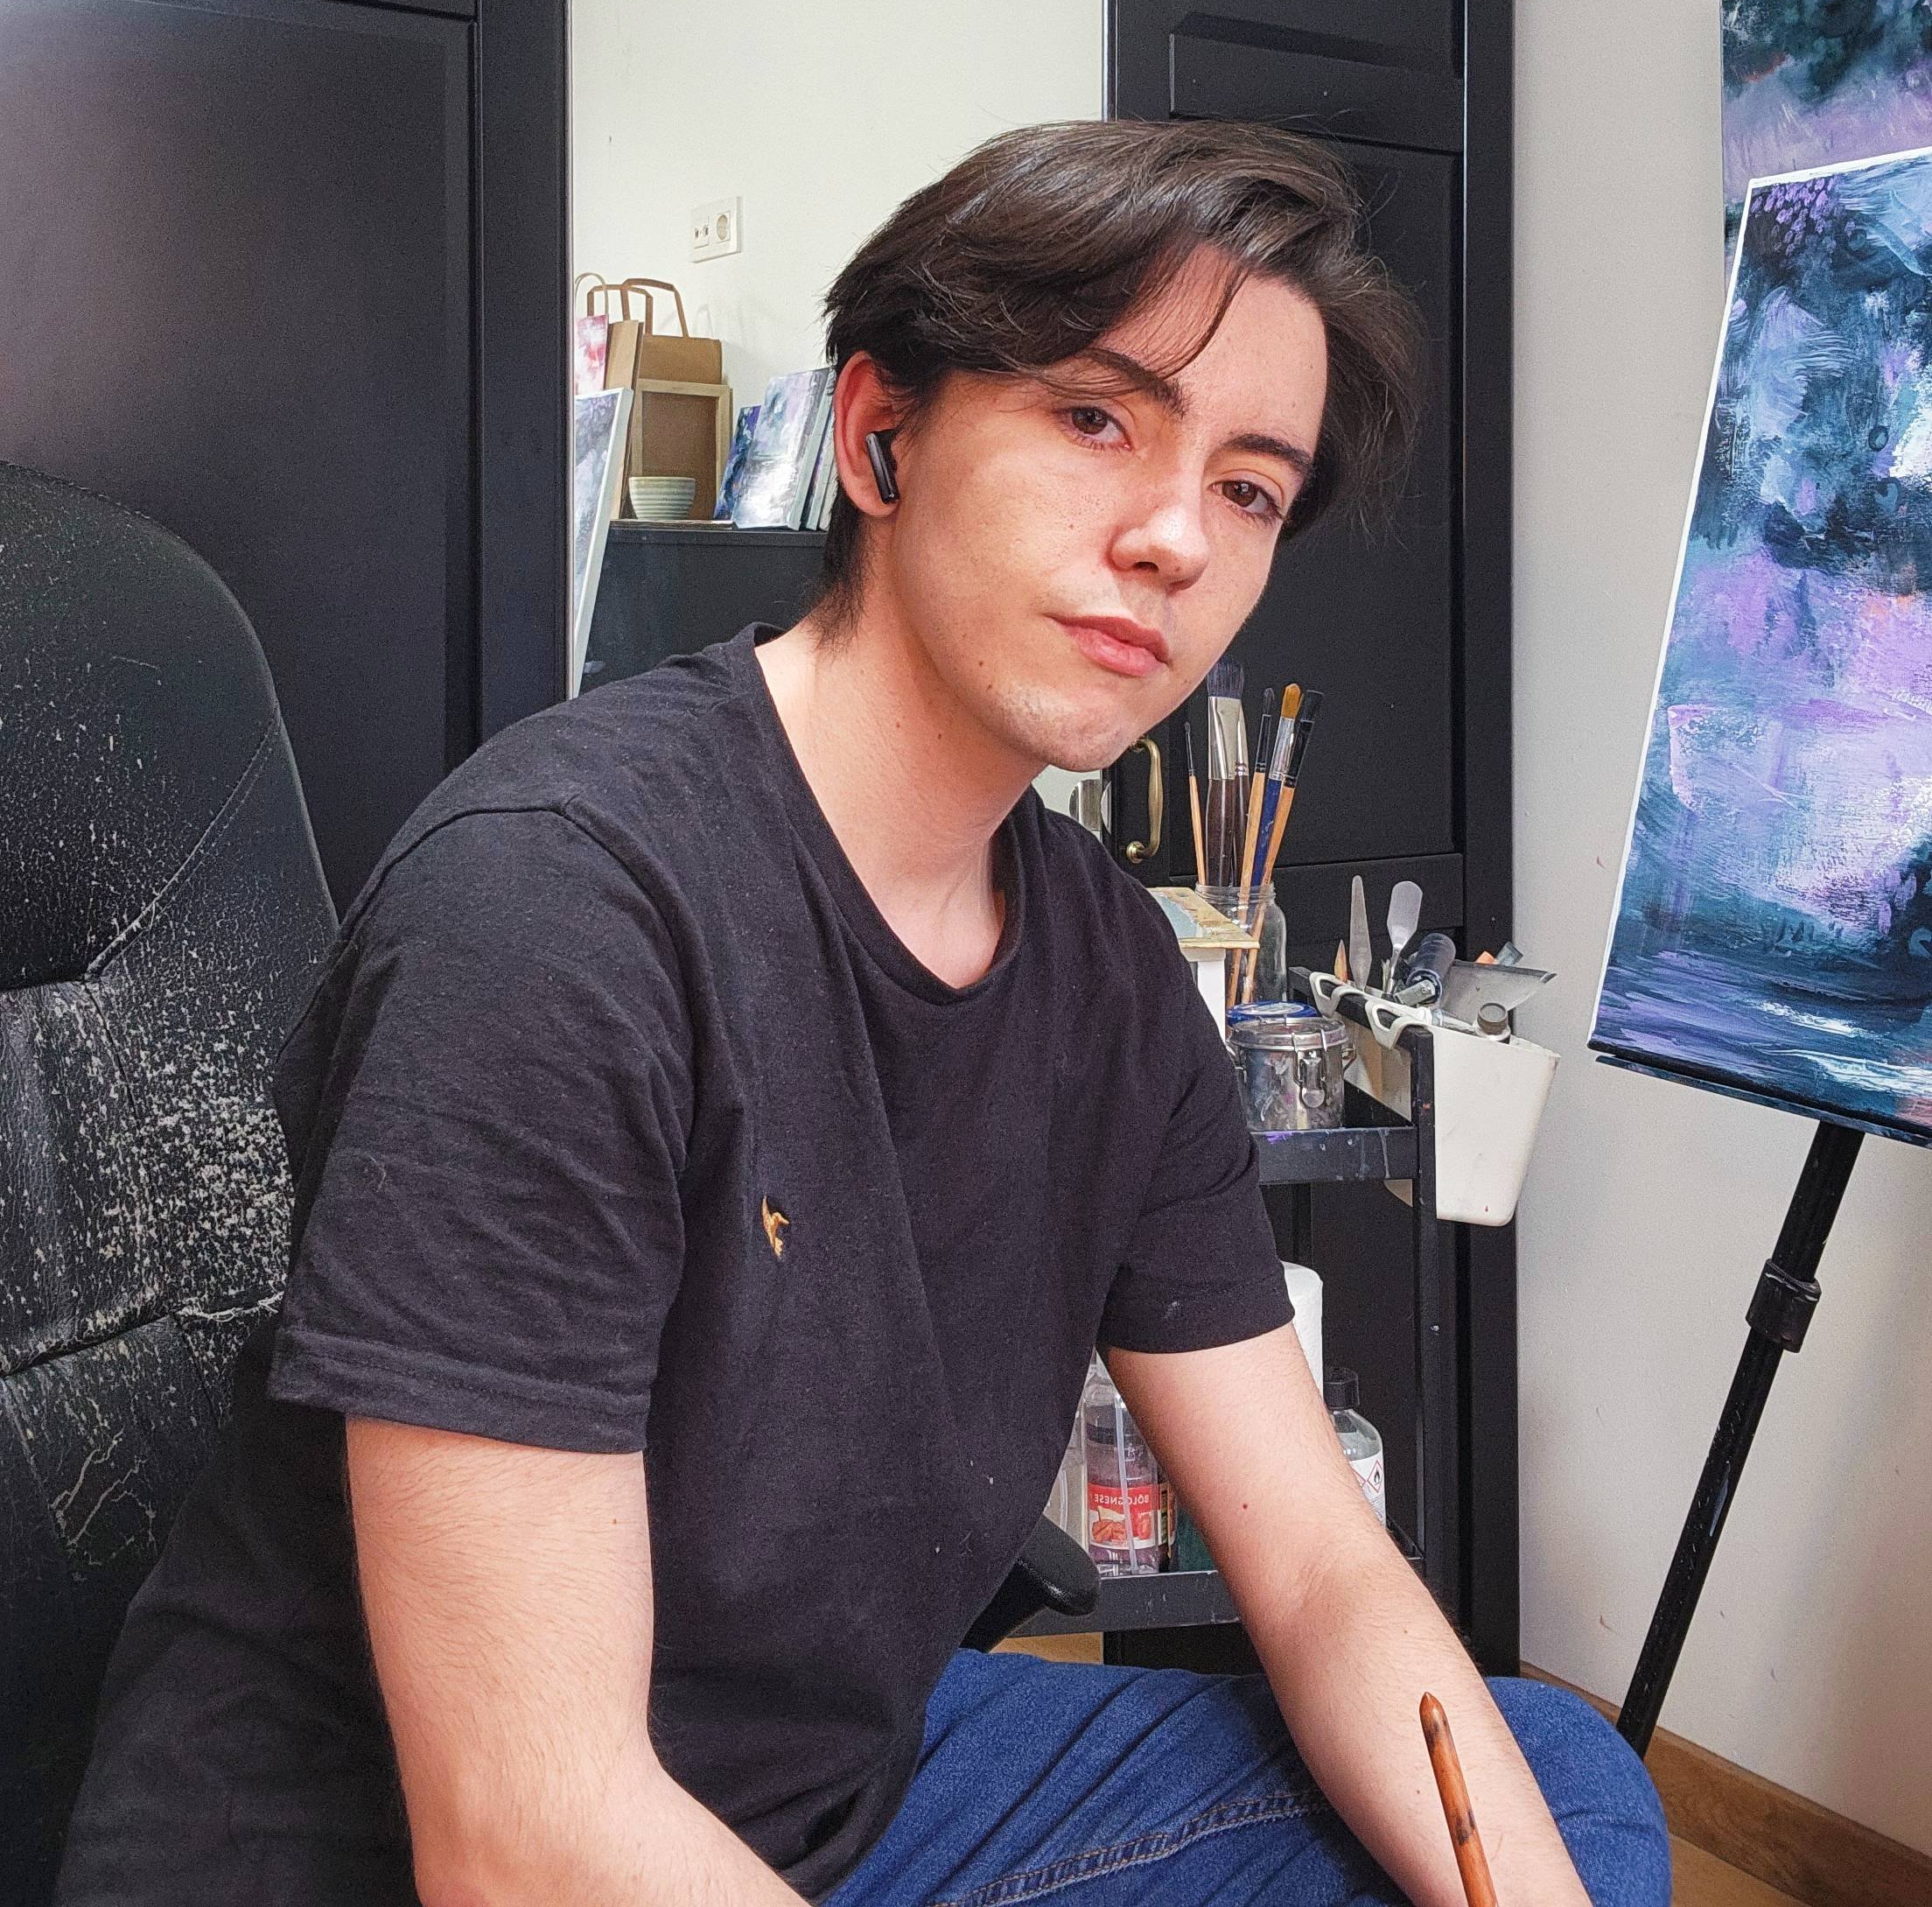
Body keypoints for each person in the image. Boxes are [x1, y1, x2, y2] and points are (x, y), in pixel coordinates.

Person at [57, 120, 1669, 1907]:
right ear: (879, 432)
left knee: (1542, 1785)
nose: (1171, 540)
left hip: (823, 1806)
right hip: (409, 1854)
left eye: (1249, 488)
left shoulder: (1114, 978)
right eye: (1098, 417)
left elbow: (1313, 1566)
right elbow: (522, 1831)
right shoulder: (562, 906)